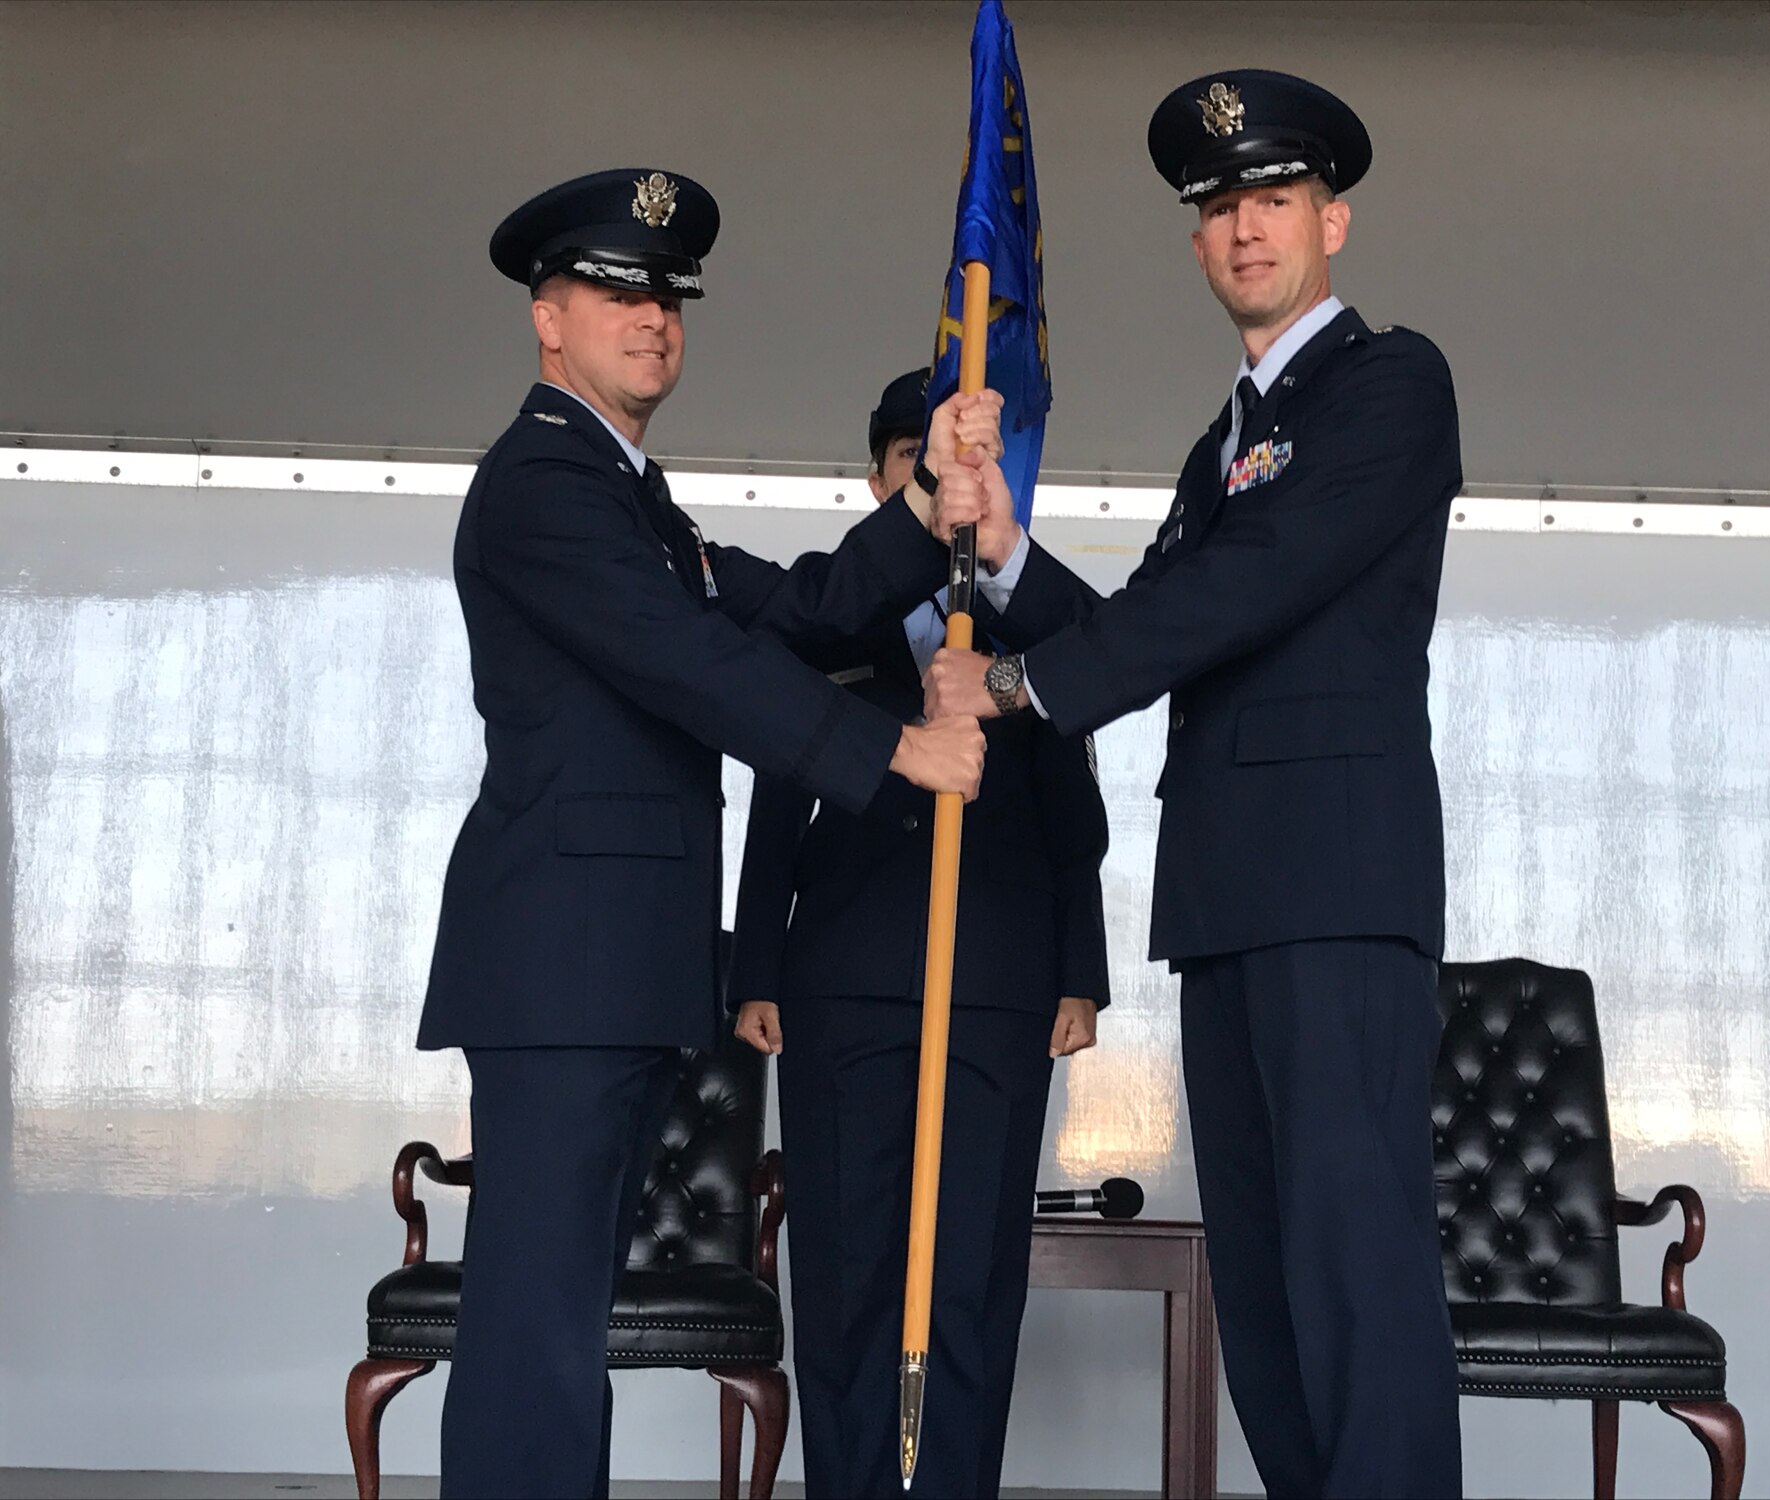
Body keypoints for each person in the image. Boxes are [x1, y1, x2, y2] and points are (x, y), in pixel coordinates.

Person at [415, 168, 1003, 1500]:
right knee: (537, 1329)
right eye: (616, 293)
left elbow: (788, 612)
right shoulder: (542, 483)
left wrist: (926, 502)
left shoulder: (628, 496)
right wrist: (891, 750)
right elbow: (691, 664)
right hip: (560, 968)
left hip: (610, 969)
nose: (653, 318)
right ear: (546, 320)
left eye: (669, 298)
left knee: (561, 1318)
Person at [923, 72, 1465, 1499]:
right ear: (1195, 242)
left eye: (1274, 199)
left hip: (1336, 892)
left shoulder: (1389, 385)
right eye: (1219, 208)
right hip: (1226, 903)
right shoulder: (1216, 447)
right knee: (1270, 1292)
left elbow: (1253, 585)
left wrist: (1019, 687)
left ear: (1332, 222)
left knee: (1354, 1273)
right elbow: (1155, 619)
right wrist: (1008, 558)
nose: (1245, 228)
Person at [729, 368, 1109, 1499]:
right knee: (846, 1270)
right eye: (918, 461)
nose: (946, 483)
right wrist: (756, 966)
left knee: (968, 1277)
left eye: (967, 464)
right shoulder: (828, 615)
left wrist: (1080, 973)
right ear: (882, 478)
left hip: (995, 985)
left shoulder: (1028, 630)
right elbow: (776, 798)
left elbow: (1074, 818)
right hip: (842, 984)